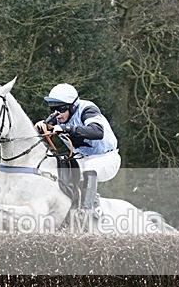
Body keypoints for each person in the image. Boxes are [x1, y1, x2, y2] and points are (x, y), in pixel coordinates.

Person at [37, 83, 120, 215]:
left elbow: (97, 132)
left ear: (73, 106)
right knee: (54, 171)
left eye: (61, 109)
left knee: (90, 168)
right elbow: (45, 129)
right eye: (53, 109)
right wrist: (41, 127)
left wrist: (68, 129)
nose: (57, 114)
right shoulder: (58, 116)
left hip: (106, 158)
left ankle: (87, 210)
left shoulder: (88, 110)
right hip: (81, 159)